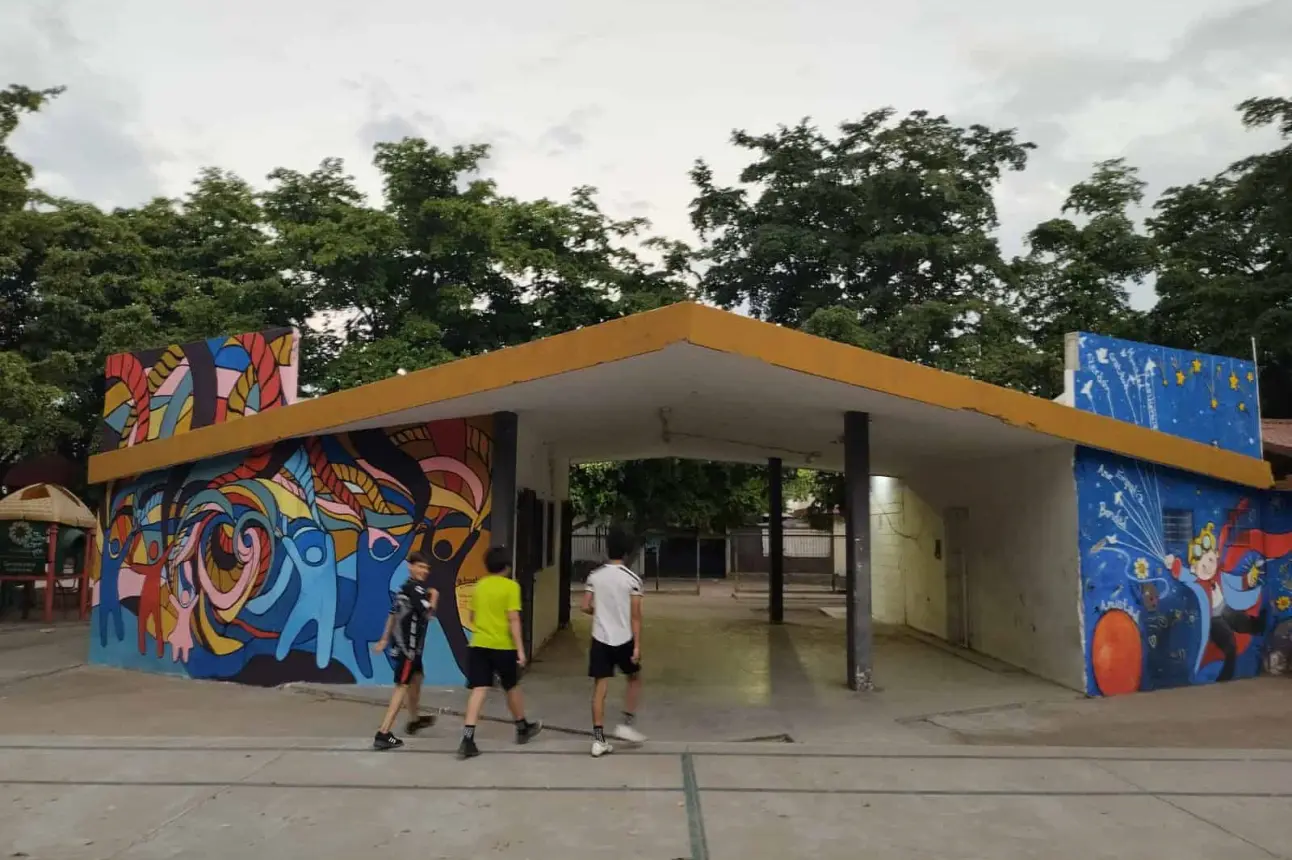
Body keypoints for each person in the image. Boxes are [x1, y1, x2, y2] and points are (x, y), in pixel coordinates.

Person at [457, 546, 542, 759]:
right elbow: (513, 619)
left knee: (479, 690)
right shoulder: (511, 587)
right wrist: (521, 650)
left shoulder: (479, 586)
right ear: (507, 566)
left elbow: (474, 618)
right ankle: (522, 727)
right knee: (511, 687)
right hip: (503, 646)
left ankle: (468, 738)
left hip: (478, 645)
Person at [581, 526, 647, 757]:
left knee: (600, 687)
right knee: (634, 678)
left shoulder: (594, 576)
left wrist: (600, 612)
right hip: (624, 638)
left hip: (600, 638)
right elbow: (636, 616)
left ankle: (598, 740)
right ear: (627, 552)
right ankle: (626, 724)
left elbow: (584, 605)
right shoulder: (633, 580)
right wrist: (637, 645)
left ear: (607, 550)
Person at [371, 551, 439, 750]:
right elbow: (428, 613)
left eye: (426, 568)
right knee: (402, 686)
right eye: (420, 567)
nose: (424, 571)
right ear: (411, 566)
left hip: (410, 650)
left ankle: (414, 719)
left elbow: (392, 616)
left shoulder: (403, 590)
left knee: (417, 678)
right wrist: (434, 596)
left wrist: (384, 639)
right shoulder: (416, 589)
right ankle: (383, 733)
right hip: (408, 650)